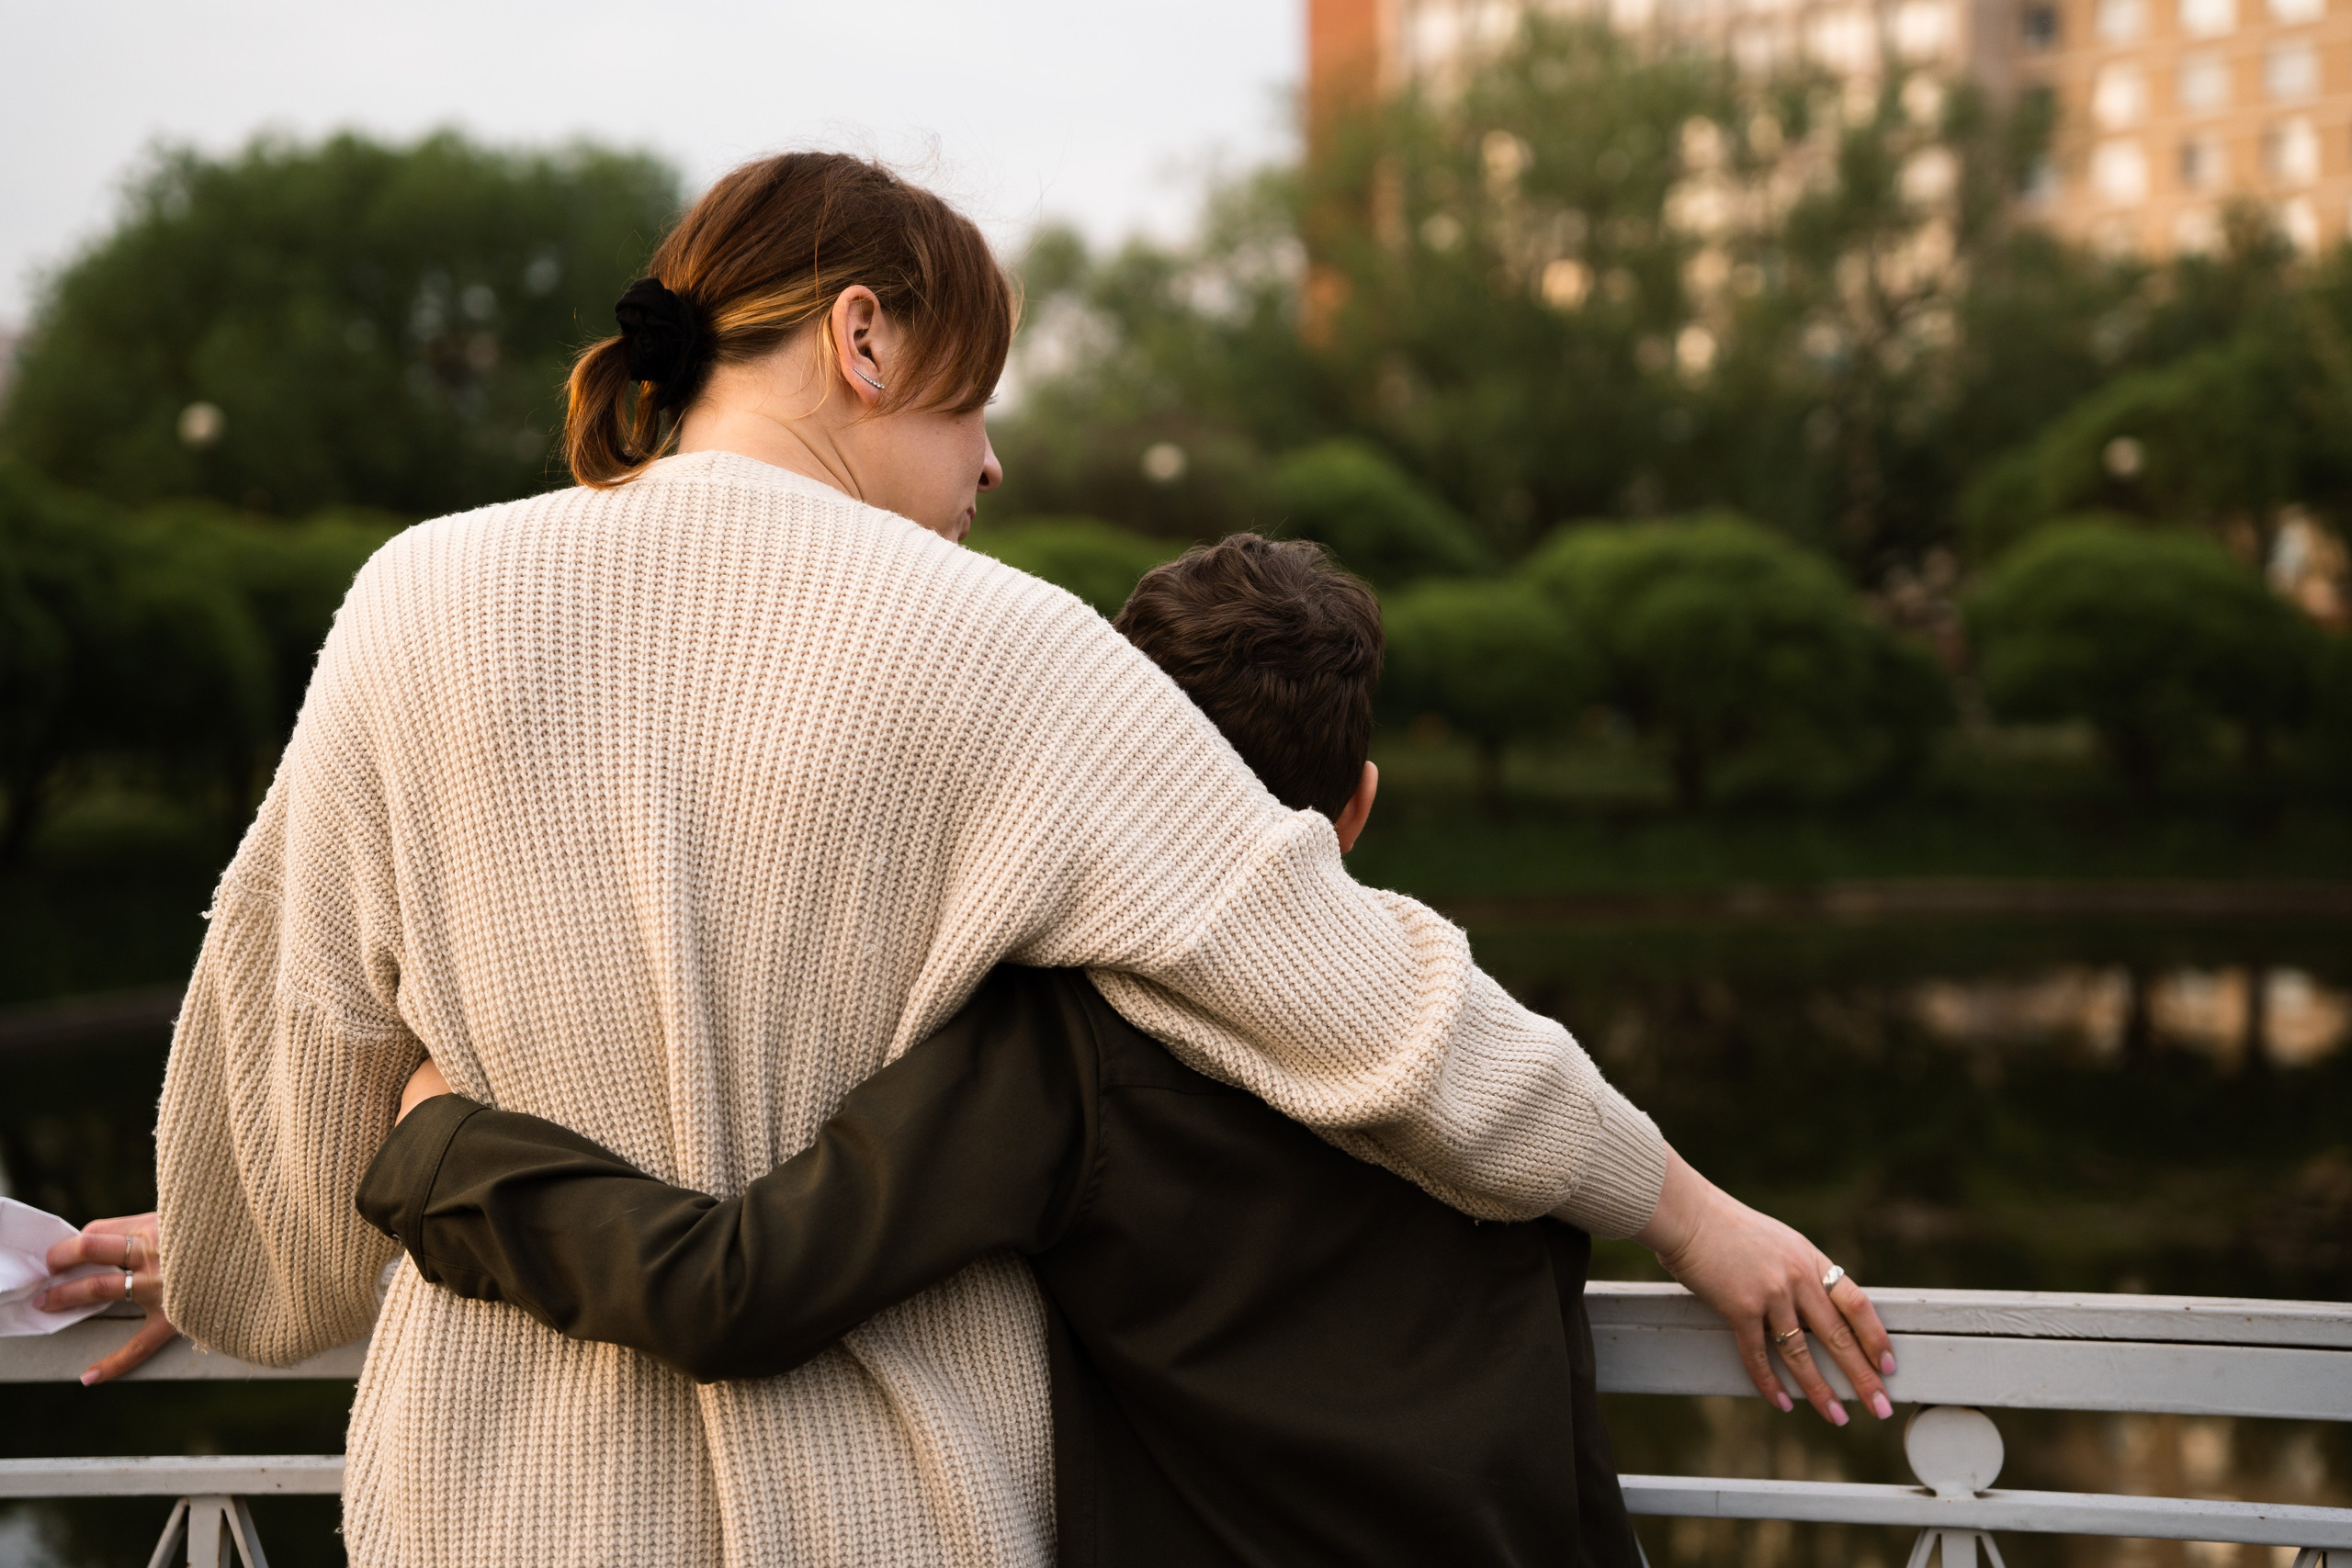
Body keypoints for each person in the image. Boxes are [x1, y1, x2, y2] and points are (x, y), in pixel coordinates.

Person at [42, 152, 1893, 1567]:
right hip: (890, 1507)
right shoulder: (999, 647)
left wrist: (222, 1262)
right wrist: (1678, 1202)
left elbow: (286, 1045)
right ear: (862, 333)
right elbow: (1361, 997)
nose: (990, 468)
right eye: (971, 401)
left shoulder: (408, 599)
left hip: (489, 1501)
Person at [355, 535, 1648, 1567]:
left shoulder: (1060, 1051)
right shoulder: (1488, 1046)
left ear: (1092, 784)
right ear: (1358, 806)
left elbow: (735, 1287)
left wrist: (438, 1152)